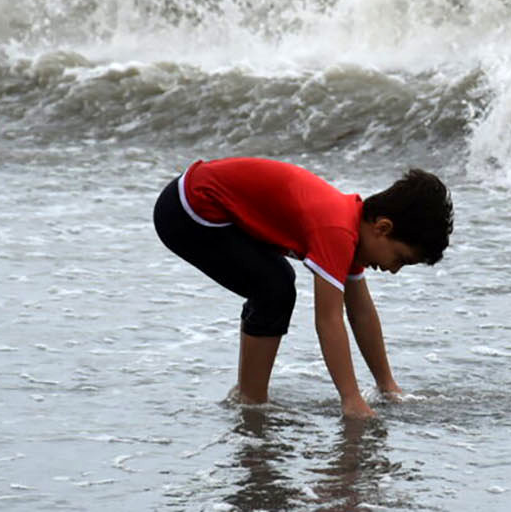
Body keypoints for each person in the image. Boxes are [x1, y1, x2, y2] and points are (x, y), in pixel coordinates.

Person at [152, 157, 453, 419]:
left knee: (274, 283)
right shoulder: (336, 230)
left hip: (204, 204)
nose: (392, 270)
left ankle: (248, 396)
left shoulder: (351, 227)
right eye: (400, 259)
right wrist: (351, 399)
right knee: (274, 286)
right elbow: (328, 320)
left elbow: (361, 312)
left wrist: (386, 385)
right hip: (188, 210)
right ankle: (251, 401)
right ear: (382, 228)